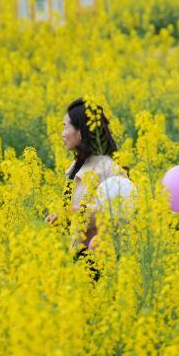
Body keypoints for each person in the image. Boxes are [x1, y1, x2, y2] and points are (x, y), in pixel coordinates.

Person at [45, 98, 127, 250]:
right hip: (78, 258)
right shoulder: (76, 167)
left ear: (81, 131)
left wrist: (72, 212)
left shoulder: (110, 169)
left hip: (100, 260)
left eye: (65, 127)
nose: (62, 134)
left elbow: (120, 213)